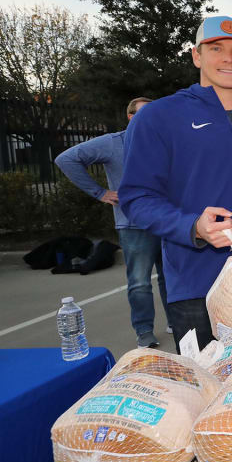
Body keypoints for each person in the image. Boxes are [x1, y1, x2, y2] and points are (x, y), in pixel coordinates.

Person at [120, 15, 232, 353]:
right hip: (196, 285)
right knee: (206, 391)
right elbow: (136, 197)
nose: (228, 58)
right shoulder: (160, 117)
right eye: (216, 48)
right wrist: (191, 226)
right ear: (196, 56)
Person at [55, 96, 170, 348]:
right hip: (133, 224)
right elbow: (65, 159)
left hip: (168, 221)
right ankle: (144, 333)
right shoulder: (112, 143)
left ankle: (175, 322)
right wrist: (100, 193)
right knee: (140, 282)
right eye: (144, 113)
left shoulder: (164, 141)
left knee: (169, 277)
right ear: (131, 117)